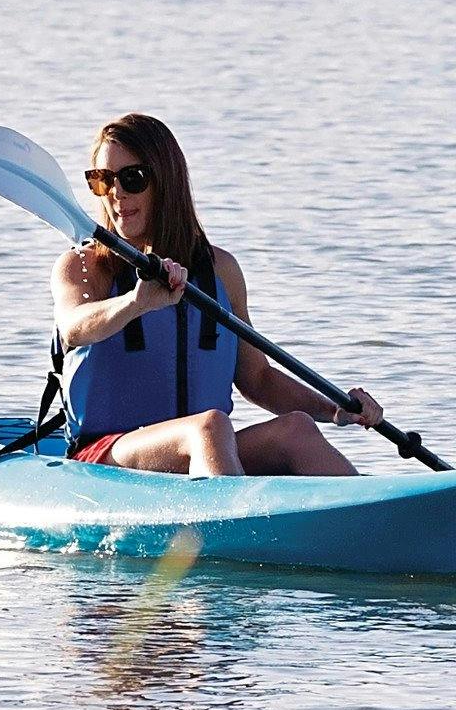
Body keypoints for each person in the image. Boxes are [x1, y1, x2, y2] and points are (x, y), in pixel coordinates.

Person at [50, 113, 384, 478]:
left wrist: (335, 409)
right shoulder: (83, 266)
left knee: (297, 429)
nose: (117, 193)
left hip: (202, 450)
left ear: (167, 183)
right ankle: (233, 530)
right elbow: (73, 327)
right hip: (106, 456)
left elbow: (257, 379)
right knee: (208, 426)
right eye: (104, 180)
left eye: (133, 178)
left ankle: (383, 522)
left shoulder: (220, 270)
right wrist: (136, 303)